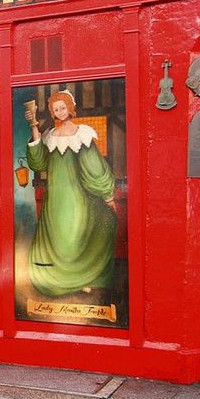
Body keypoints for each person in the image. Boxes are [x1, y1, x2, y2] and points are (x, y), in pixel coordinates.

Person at [24, 89, 117, 296]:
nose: (59, 111)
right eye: (55, 109)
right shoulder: (49, 136)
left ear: (70, 108)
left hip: (78, 197)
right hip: (55, 199)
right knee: (59, 238)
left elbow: (94, 166)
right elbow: (38, 163)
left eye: (62, 107)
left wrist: (107, 194)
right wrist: (35, 128)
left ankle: (83, 279)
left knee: (74, 236)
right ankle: (64, 281)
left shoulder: (81, 133)